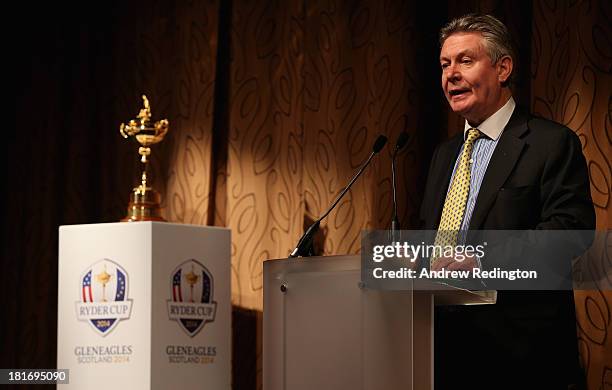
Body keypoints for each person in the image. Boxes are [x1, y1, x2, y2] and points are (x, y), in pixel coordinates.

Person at [419, 14, 595, 390]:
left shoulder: (550, 143)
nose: (451, 74)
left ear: (503, 68)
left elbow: (571, 233)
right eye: (445, 64)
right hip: (441, 356)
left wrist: (483, 259)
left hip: (520, 359)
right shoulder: (443, 155)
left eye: (465, 60)